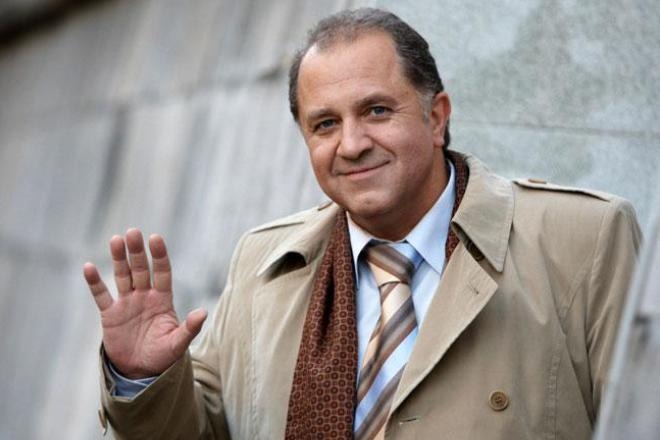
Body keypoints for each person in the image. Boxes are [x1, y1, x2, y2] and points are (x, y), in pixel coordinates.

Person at [84, 8, 641, 440]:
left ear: (436, 117)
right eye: (325, 124)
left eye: (376, 110)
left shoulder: (585, 241)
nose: (351, 144)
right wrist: (145, 379)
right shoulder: (262, 266)